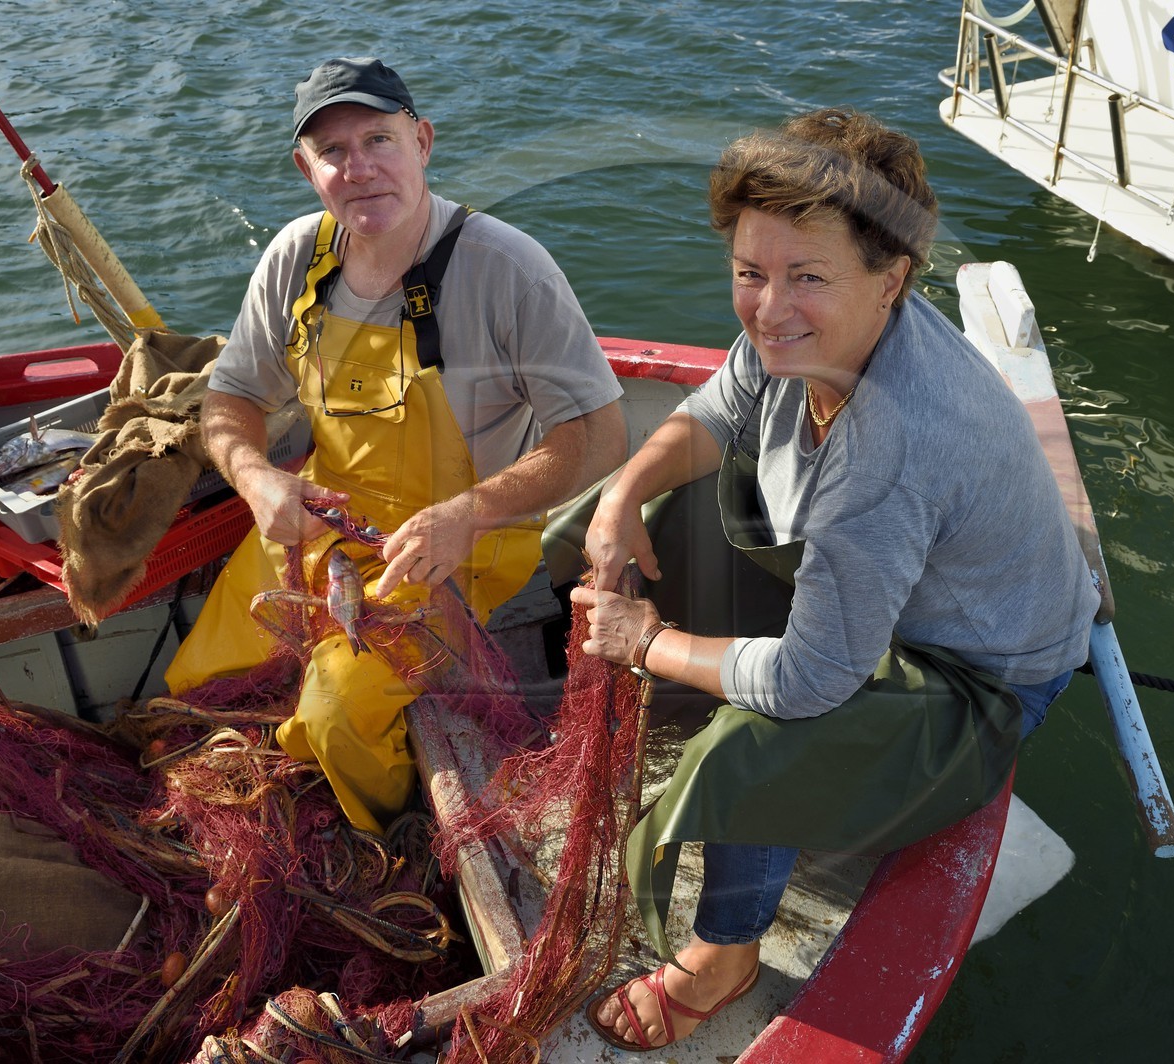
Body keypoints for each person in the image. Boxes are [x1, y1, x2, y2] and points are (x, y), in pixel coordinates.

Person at [569, 108, 1099, 1052]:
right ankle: (680, 660)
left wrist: (645, 643)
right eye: (749, 273)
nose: (769, 308)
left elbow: (812, 683)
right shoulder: (806, 339)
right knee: (656, 506)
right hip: (888, 592)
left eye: (807, 277)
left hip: (977, 678)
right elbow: (717, 408)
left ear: (891, 279)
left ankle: (723, 954)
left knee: (759, 738)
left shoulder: (890, 451)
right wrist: (620, 498)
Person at [164, 57, 627, 837]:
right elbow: (232, 399)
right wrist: (256, 481)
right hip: (319, 537)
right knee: (197, 686)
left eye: (378, 138)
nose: (360, 167)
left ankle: (383, 840)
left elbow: (599, 434)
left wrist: (470, 513)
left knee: (338, 713)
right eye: (333, 151)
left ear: (423, 141)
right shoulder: (296, 259)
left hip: (454, 555)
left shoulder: (506, 267)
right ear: (305, 168)